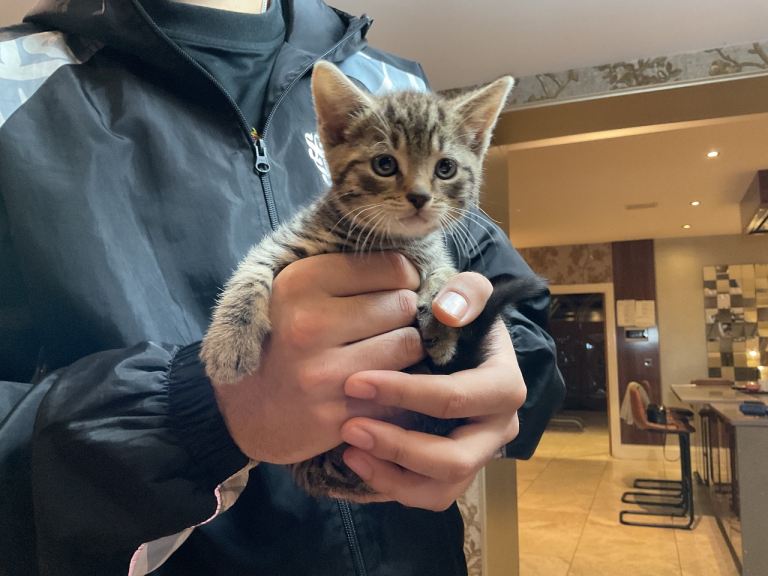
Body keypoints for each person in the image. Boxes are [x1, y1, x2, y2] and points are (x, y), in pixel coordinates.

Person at [0, 0, 564, 574]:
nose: (420, 191)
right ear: (335, 130)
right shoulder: (11, 83)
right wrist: (201, 411)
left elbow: (522, 322)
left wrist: (487, 383)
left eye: (442, 169)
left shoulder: (391, 82)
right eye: (388, 166)